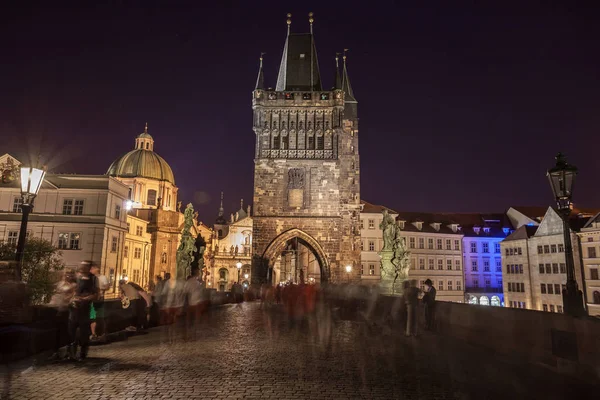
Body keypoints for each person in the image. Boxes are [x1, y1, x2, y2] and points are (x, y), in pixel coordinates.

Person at [68, 262, 98, 361]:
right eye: (81, 265)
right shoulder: (76, 277)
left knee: (83, 332)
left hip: (85, 308)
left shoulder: (93, 278)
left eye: (84, 266)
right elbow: (70, 290)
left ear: (88, 268)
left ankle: (82, 354)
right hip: (74, 308)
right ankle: (71, 354)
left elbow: (95, 294)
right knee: (71, 331)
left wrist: (85, 299)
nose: (81, 267)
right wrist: (72, 298)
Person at [47, 269, 77, 361]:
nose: (67, 275)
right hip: (56, 309)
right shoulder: (60, 284)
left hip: (66, 311)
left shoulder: (73, 285)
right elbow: (55, 295)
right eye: (66, 274)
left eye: (70, 274)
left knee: (67, 332)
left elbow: (71, 298)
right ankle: (56, 352)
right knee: (56, 332)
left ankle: (70, 353)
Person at [90, 263, 110, 341]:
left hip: (99, 299)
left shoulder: (103, 277)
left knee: (100, 317)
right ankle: (93, 334)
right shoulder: (91, 278)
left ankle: (102, 334)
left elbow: (107, 286)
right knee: (93, 317)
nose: (90, 270)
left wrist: (100, 289)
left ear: (96, 269)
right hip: (92, 300)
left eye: (92, 269)